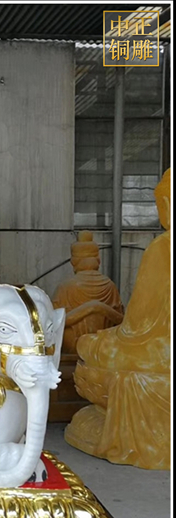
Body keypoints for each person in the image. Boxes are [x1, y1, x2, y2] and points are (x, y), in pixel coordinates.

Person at [65, 169, 171, 469]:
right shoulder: (107, 284)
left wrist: (100, 338)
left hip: (160, 353)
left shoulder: (163, 247)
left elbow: (135, 327)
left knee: (89, 346)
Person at [52, 231, 124, 356]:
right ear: (98, 260)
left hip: (75, 346)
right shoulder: (110, 286)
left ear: (74, 261)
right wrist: (95, 307)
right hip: (103, 346)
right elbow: (121, 320)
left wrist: (94, 307)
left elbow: (54, 322)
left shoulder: (65, 287)